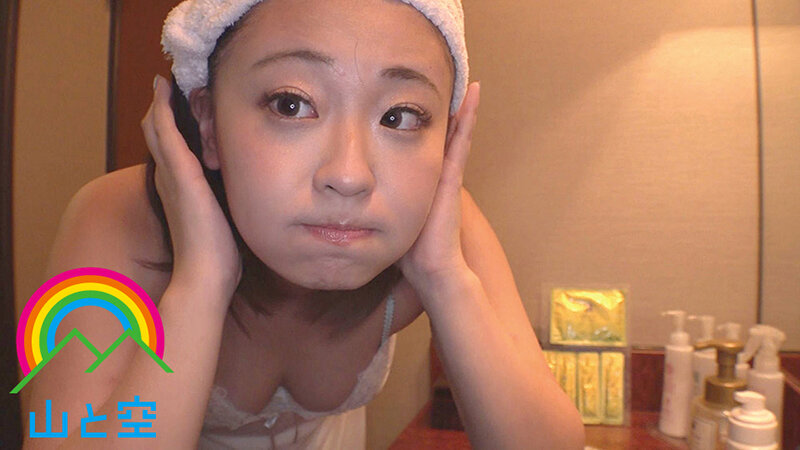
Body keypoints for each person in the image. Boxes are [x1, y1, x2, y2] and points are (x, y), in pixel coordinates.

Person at [23, 0, 585, 448]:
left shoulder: (443, 226)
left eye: (400, 116)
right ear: (209, 123)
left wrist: (443, 276)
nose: (349, 175)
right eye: (291, 105)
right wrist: (201, 282)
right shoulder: (116, 217)